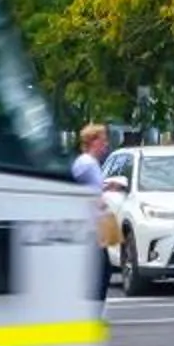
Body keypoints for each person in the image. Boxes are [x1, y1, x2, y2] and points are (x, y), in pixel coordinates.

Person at [72, 123, 112, 303]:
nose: (105, 144)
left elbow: (92, 188)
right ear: (93, 142)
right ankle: (93, 312)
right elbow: (76, 182)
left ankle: (93, 311)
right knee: (101, 272)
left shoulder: (91, 163)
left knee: (101, 270)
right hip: (90, 226)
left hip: (96, 225)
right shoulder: (86, 163)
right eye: (102, 140)